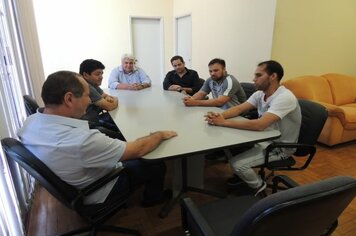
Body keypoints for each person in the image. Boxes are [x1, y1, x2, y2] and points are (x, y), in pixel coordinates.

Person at [17, 71, 177, 207]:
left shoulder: (30, 122)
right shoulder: (82, 141)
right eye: (87, 95)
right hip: (97, 190)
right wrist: (159, 134)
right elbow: (138, 149)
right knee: (155, 163)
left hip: (70, 181)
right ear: (69, 99)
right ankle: (153, 200)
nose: (90, 100)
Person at [204, 60, 301, 196]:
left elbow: (259, 124)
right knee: (229, 145)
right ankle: (244, 178)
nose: (253, 79)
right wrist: (219, 116)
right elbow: (238, 109)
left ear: (273, 76)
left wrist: (222, 122)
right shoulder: (260, 93)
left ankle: (259, 187)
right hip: (263, 138)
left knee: (237, 164)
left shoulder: (284, 97)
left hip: (279, 147)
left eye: (258, 75)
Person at [79, 59, 118, 128]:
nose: (101, 77)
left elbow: (105, 95)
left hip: (93, 121)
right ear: (85, 75)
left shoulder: (92, 83)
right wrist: (116, 99)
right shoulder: (87, 86)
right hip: (88, 127)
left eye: (101, 73)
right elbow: (109, 106)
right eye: (97, 74)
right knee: (121, 136)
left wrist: (108, 98)